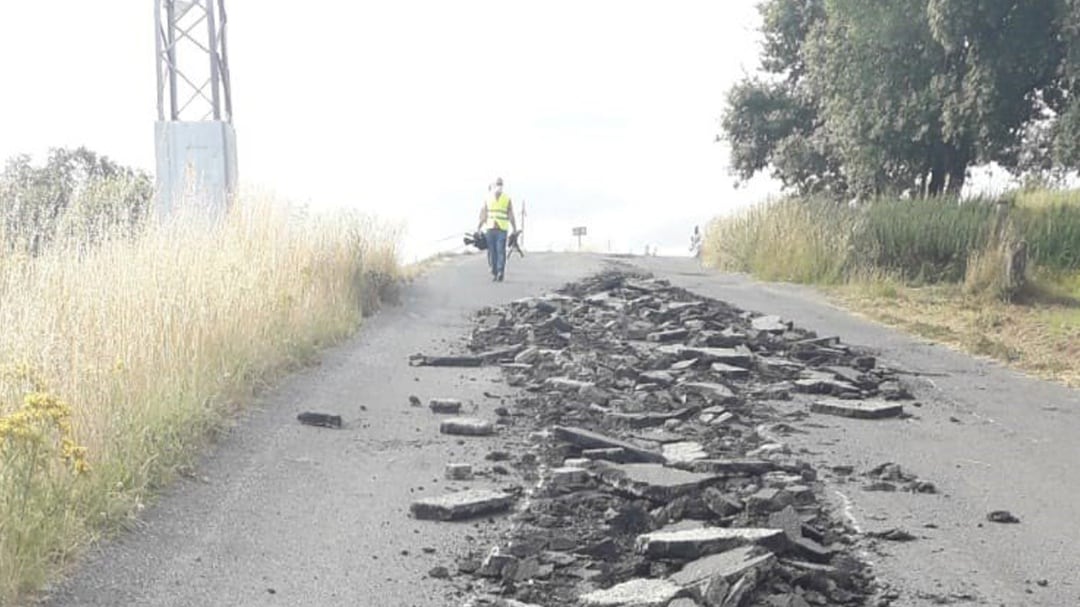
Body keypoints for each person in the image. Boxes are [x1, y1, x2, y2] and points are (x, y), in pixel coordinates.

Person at [476, 177, 517, 282]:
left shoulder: (506, 198)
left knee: (500, 251)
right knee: (492, 251)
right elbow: (484, 213)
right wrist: (479, 227)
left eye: (501, 184)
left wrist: (514, 228)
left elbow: (510, 213)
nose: (499, 186)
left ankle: (500, 272)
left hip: (502, 229)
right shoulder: (488, 198)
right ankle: (494, 271)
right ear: (494, 185)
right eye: (498, 184)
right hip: (490, 228)